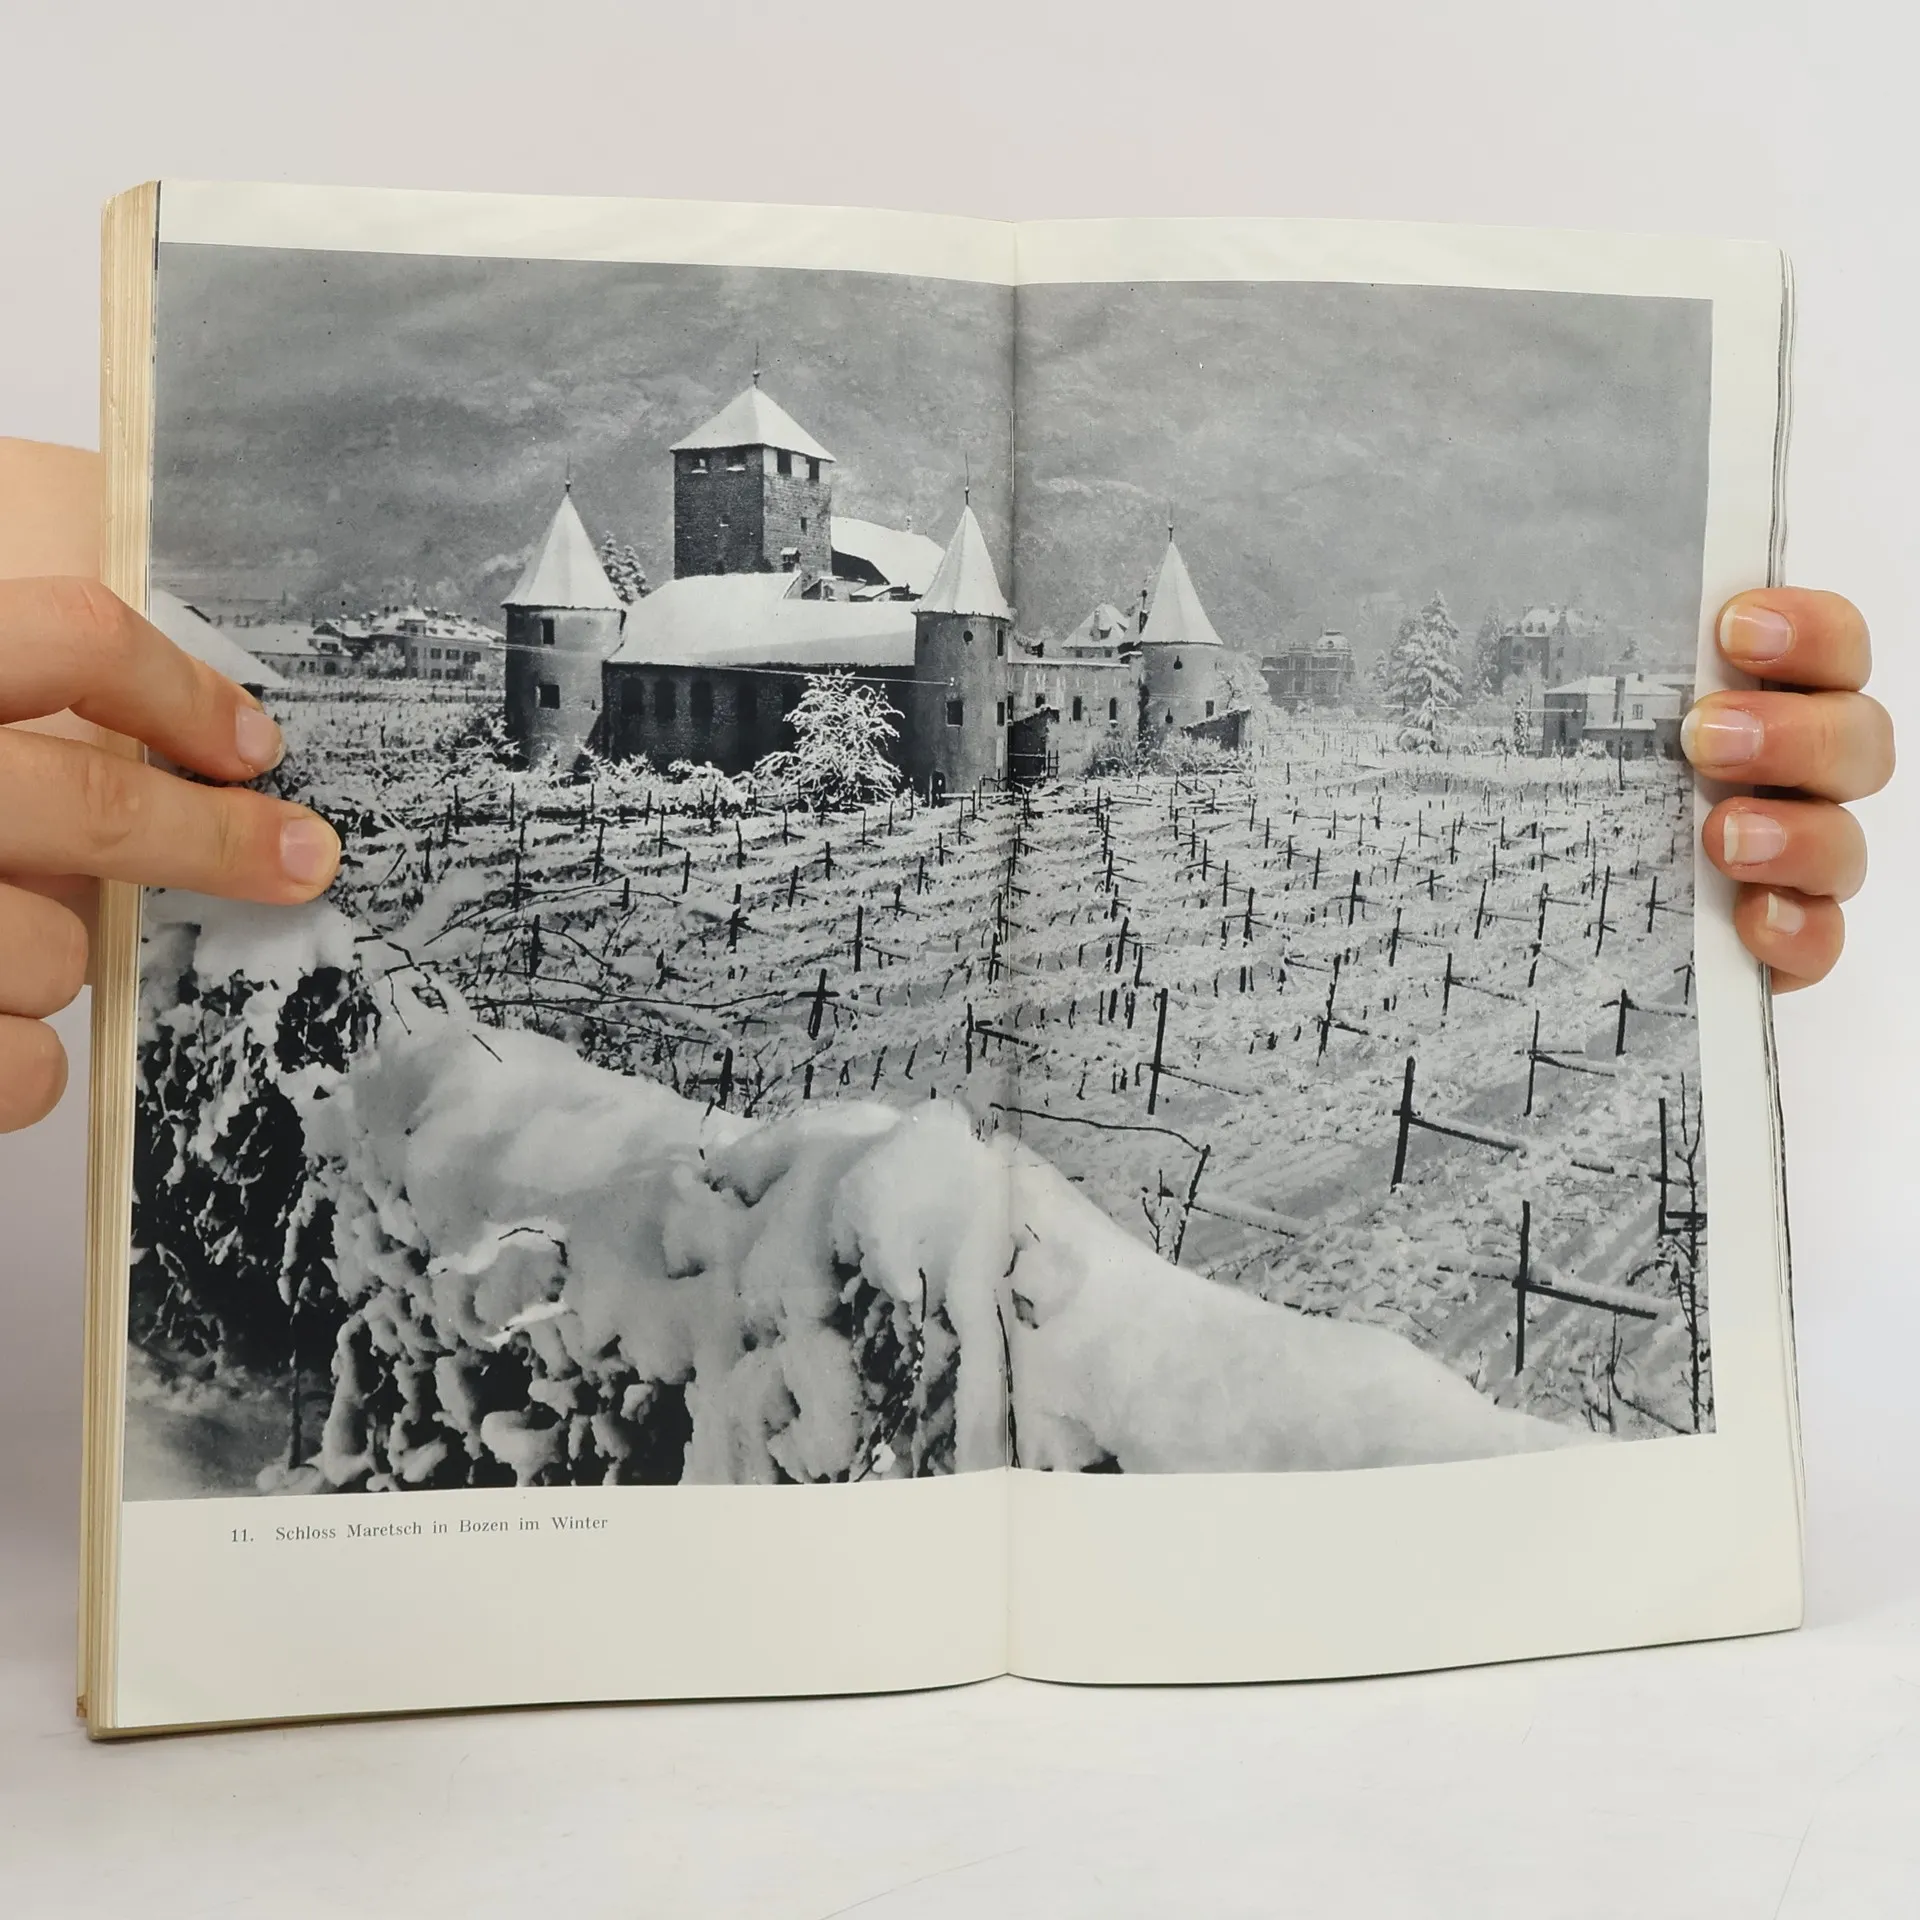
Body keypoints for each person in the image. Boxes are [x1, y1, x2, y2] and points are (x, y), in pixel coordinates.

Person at [0, 437, 1897, 1134]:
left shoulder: (909, 606)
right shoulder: (716, 622)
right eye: (753, 484)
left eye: (775, 484)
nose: (767, 503)